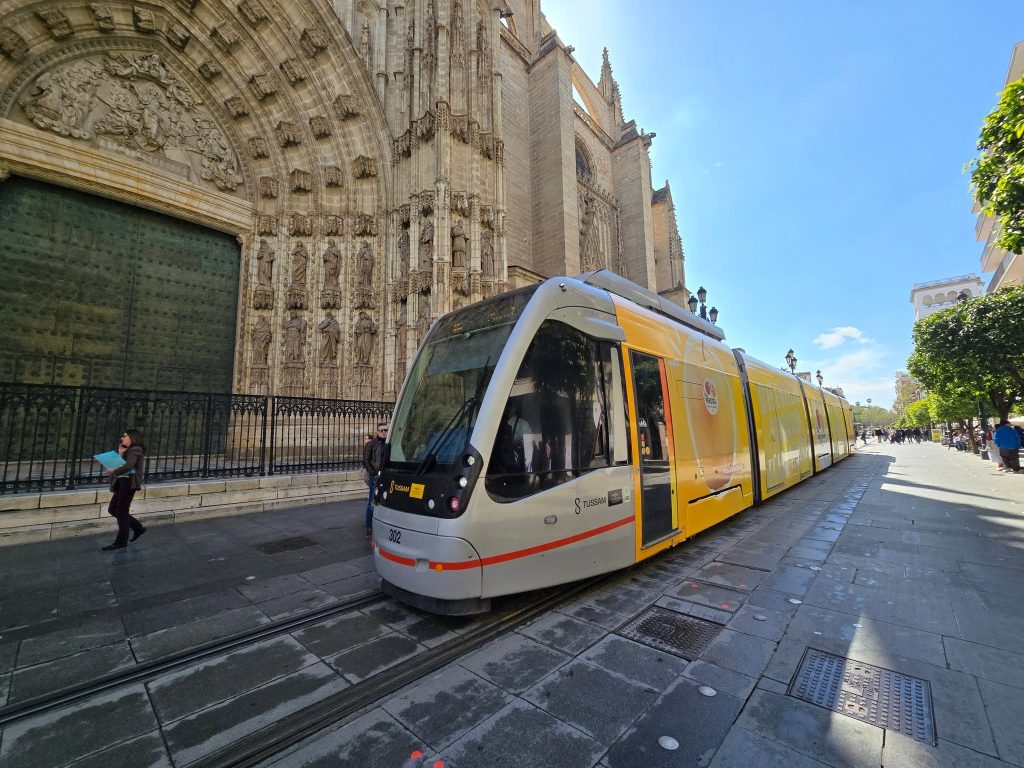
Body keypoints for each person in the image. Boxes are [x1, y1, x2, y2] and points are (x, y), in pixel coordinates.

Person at [103, 428, 146, 550]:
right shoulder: (127, 450)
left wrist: (114, 471)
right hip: (122, 482)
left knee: (121, 511)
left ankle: (121, 541)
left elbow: (128, 466)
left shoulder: (136, 449)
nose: (122, 438)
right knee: (113, 509)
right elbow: (121, 464)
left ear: (132, 438)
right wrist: (121, 453)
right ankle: (138, 527)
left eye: (125, 436)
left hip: (128, 483)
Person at [362, 422, 388, 537]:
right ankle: (369, 528)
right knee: (372, 502)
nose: (384, 432)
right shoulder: (371, 444)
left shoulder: (388, 444)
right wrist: (373, 473)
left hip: (385, 476)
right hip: (375, 476)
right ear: (377, 432)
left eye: (386, 430)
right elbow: (366, 460)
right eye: (382, 430)